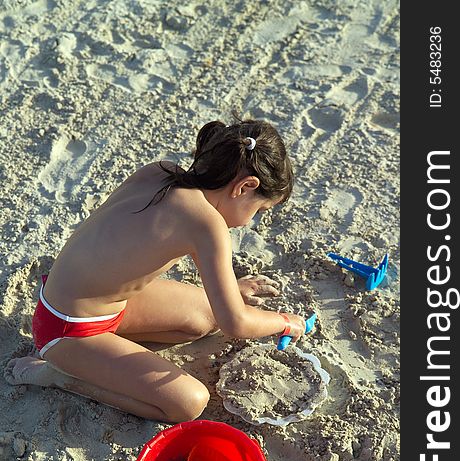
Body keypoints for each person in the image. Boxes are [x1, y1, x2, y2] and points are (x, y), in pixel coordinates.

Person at [5, 117, 306, 423]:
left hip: (88, 303)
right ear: (244, 186)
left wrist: (231, 290)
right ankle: (58, 374)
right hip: (67, 330)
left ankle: (99, 360)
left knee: (205, 318)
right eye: (258, 211)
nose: (249, 222)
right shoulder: (207, 224)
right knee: (188, 403)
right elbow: (236, 323)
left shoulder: (162, 172)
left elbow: (122, 251)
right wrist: (283, 322)